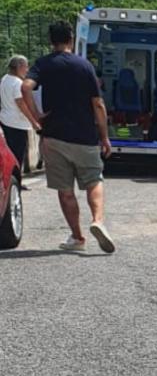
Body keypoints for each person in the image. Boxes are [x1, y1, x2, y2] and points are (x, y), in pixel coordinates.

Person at [21, 21, 115, 253]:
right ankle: (98, 221)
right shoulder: (85, 66)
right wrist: (104, 137)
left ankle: (77, 237)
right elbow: (98, 104)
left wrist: (38, 117)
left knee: (65, 190)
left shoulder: (43, 64)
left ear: (51, 41)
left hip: (54, 136)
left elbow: (25, 87)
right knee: (94, 180)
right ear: (71, 39)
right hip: (84, 135)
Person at [0, 55, 37, 189]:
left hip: (5, 120)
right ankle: (16, 184)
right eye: (26, 66)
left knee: (9, 155)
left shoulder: (4, 79)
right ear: (20, 66)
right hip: (17, 123)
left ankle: (11, 182)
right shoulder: (17, 83)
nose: (27, 70)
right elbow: (21, 103)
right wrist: (33, 121)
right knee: (17, 156)